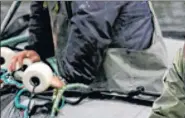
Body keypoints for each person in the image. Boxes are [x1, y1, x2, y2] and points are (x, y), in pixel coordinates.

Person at [8, 1, 168, 93]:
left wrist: (69, 79)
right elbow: (43, 6)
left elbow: (91, 24)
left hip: (131, 89)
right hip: (92, 81)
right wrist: (38, 49)